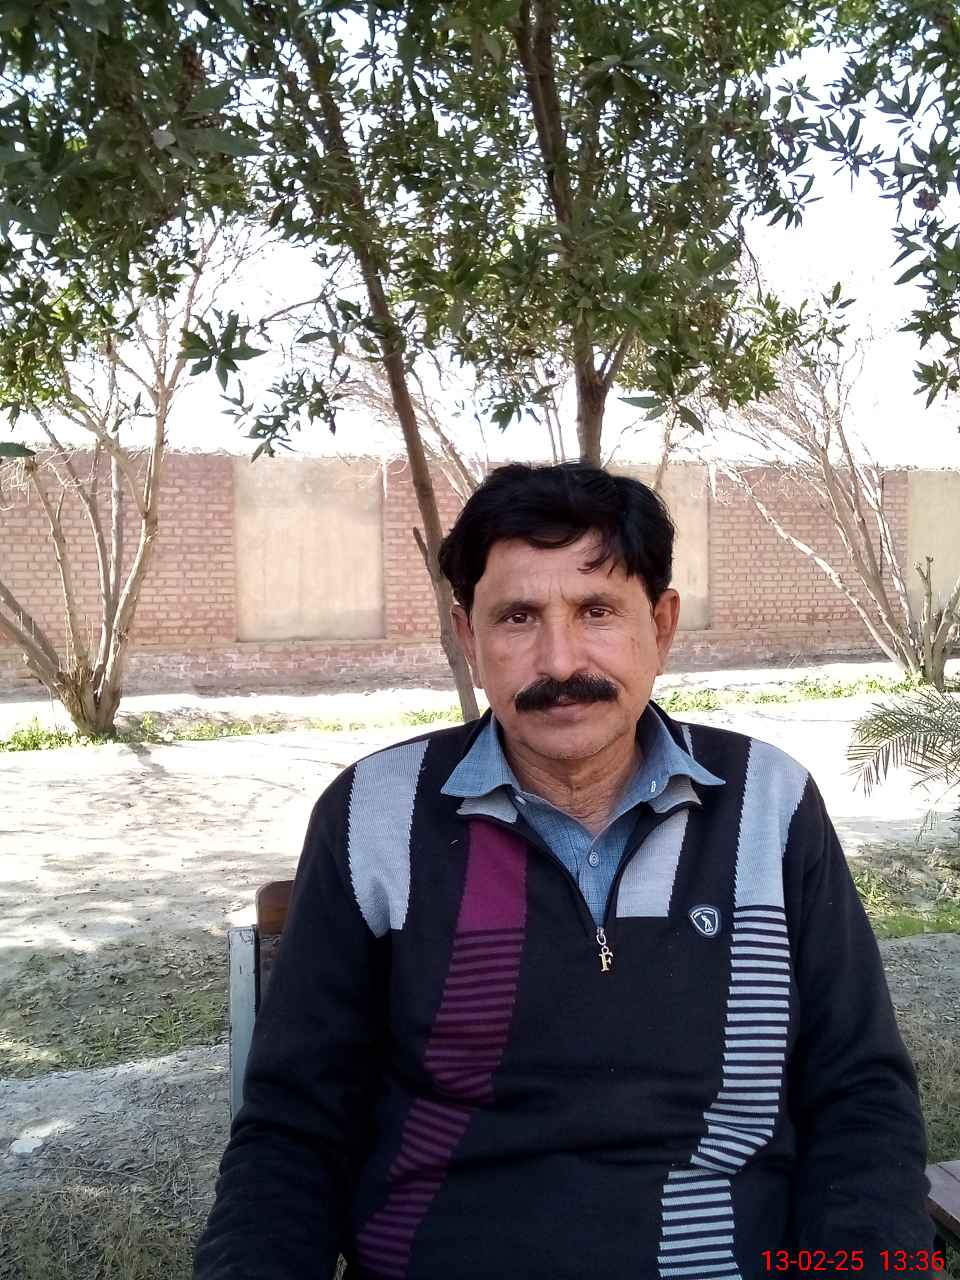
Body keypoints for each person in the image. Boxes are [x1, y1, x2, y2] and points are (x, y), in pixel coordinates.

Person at [195, 462, 932, 1280]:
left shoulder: (769, 803)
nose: (559, 660)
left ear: (661, 626)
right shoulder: (373, 813)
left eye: (596, 611)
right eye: (517, 617)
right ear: (468, 637)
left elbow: (859, 1093)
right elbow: (293, 1129)